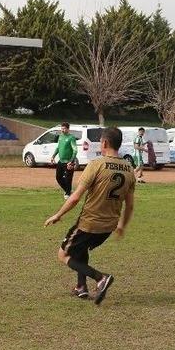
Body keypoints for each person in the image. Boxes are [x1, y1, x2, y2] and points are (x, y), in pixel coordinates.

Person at [44, 126, 135, 305]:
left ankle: (100, 278)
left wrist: (58, 214)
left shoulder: (96, 165)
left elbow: (75, 197)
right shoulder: (129, 169)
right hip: (108, 227)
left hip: (89, 223)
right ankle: (81, 287)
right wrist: (122, 226)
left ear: (105, 143)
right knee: (81, 248)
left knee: (63, 255)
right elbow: (130, 206)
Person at [49, 123, 78, 199]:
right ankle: (68, 190)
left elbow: (75, 150)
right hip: (61, 161)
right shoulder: (60, 137)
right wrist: (53, 156)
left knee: (68, 178)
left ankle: (68, 193)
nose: (63, 130)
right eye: (62, 128)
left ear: (68, 129)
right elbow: (58, 148)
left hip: (69, 162)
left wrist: (71, 161)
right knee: (58, 177)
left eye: (64, 128)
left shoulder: (71, 138)